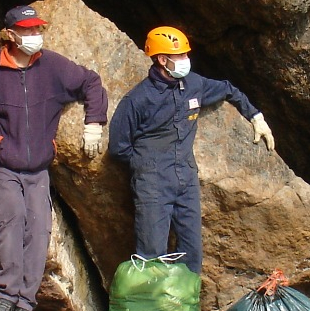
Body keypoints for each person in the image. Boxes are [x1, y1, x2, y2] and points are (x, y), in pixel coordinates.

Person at [0, 4, 108, 311]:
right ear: (11, 35)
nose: (35, 36)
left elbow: (91, 83)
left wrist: (94, 123)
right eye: (28, 31)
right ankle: (5, 297)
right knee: (9, 223)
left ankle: (24, 306)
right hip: (3, 166)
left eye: (38, 30)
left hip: (38, 170)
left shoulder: (52, 66)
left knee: (38, 231)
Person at [108, 26, 274, 274]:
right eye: (180, 56)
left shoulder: (194, 84)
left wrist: (256, 116)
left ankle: (185, 309)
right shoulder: (138, 99)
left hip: (186, 178)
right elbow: (118, 148)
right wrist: (146, 167)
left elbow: (229, 89)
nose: (187, 60)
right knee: (151, 255)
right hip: (152, 183)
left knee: (191, 250)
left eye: (186, 54)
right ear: (162, 60)